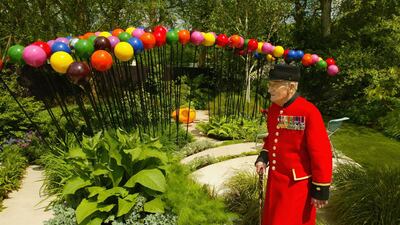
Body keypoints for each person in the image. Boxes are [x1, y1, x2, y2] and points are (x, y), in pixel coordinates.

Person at [255, 64, 332, 225]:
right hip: (275, 182)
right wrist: (263, 157)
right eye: (269, 85)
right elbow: (273, 138)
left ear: (290, 87)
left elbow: (321, 152)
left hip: (296, 186)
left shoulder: (309, 112)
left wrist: (320, 189)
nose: (269, 90)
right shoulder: (275, 109)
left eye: (274, 85)